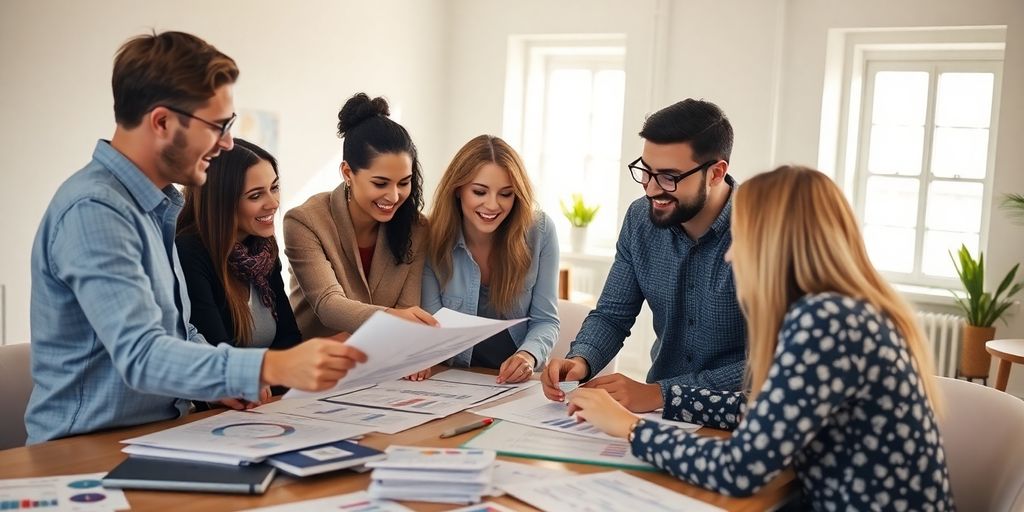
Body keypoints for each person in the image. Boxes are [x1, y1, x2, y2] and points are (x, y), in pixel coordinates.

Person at [26, 31, 366, 445]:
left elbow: (180, 333)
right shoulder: (97, 210)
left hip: (159, 434)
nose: (225, 143)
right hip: (83, 453)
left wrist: (218, 383)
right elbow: (143, 356)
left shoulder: (158, 208)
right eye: (218, 127)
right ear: (163, 122)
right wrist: (271, 367)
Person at [567, 166, 954, 509]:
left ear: (775, 244)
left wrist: (628, 427)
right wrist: (665, 397)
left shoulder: (825, 322)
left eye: (742, 239)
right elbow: (762, 411)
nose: (732, 257)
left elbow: (740, 469)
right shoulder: (842, 310)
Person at [542, 99, 746, 413]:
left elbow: (773, 362)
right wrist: (580, 360)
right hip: (657, 414)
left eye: (669, 177)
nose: (651, 190)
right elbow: (612, 315)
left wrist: (664, 393)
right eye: (646, 172)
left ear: (716, 173)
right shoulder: (640, 219)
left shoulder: (763, 232)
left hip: (739, 416)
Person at [284, 93, 435, 350]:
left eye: (404, 182)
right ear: (347, 173)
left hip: (381, 364)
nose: (394, 196)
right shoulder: (304, 221)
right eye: (380, 183)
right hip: (316, 365)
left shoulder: (416, 228)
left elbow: (408, 308)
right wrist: (392, 319)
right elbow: (329, 305)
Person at [421, 135, 559, 384]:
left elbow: (545, 320)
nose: (493, 205)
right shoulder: (432, 237)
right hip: (452, 380)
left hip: (513, 386)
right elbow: (431, 326)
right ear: (458, 189)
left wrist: (527, 356)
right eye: (479, 192)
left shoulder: (540, 231)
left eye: (506, 194)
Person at [176, 139, 305, 396]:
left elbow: (289, 344)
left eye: (274, 188)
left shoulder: (264, 249)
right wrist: (270, 374)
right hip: (222, 406)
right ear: (222, 202)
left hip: (266, 405)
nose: (273, 203)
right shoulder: (190, 252)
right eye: (256, 195)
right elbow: (216, 355)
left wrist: (276, 375)